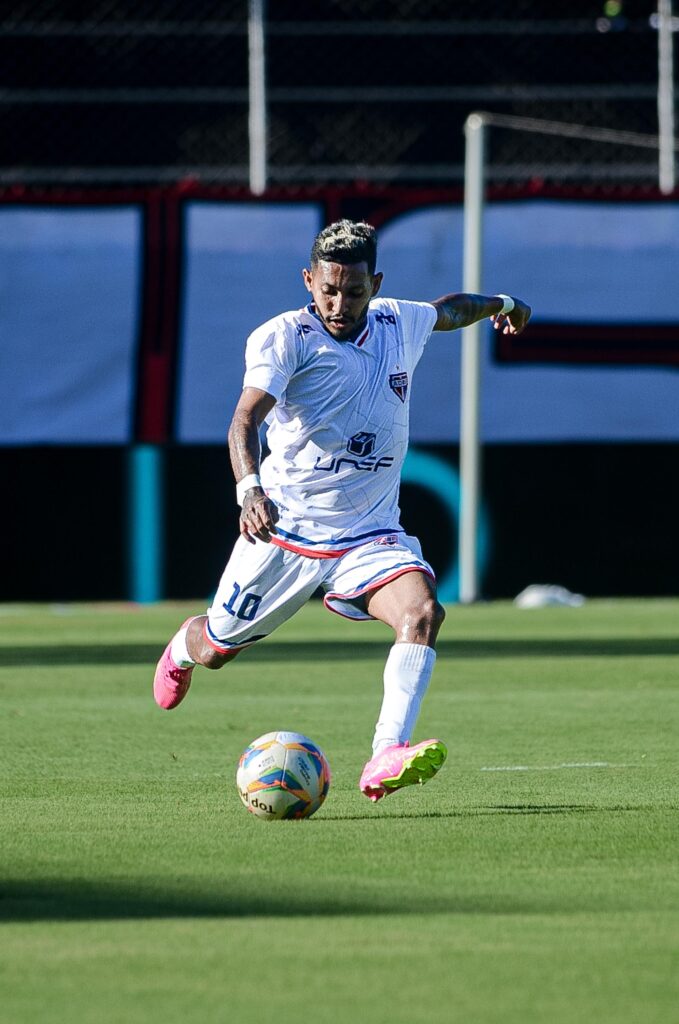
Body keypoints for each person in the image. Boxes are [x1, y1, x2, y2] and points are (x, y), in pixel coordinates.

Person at [153, 219, 531, 802]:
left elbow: (450, 309)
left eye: (354, 291)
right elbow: (244, 420)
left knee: (423, 612)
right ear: (309, 279)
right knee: (217, 648)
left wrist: (502, 303)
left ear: (374, 284)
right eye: (328, 288)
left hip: (369, 532)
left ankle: (385, 753)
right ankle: (185, 645)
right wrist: (249, 490)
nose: (339, 302)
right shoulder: (285, 338)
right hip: (284, 530)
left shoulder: (398, 322)